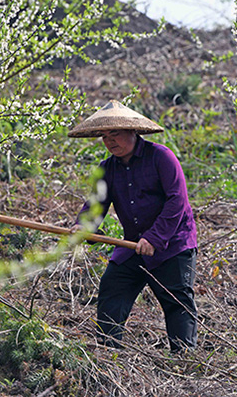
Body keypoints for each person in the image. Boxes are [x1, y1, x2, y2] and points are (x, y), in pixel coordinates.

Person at [69, 99, 198, 352]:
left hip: (172, 244)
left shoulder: (161, 157)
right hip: (132, 245)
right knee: (112, 289)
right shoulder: (107, 169)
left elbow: (177, 201)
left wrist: (155, 238)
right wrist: (82, 226)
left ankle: (184, 361)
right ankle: (108, 354)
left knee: (176, 301)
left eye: (115, 134)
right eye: (104, 137)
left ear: (132, 131)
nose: (110, 142)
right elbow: (95, 205)